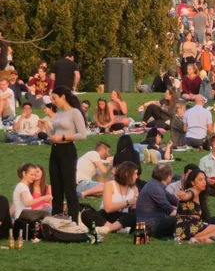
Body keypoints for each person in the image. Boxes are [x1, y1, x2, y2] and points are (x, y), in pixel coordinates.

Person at [48, 86, 87, 220]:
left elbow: (82, 135)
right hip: (55, 150)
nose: (54, 101)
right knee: (56, 187)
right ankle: (56, 218)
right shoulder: (58, 113)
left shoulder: (74, 112)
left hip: (67, 150)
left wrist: (63, 137)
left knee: (69, 188)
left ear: (63, 96)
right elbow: (55, 132)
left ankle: (73, 220)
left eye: (55, 98)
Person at [80, 161, 139, 235]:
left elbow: (134, 212)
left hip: (121, 218)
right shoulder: (110, 185)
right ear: (126, 174)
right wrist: (128, 202)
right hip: (106, 216)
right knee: (86, 213)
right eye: (134, 173)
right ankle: (116, 228)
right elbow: (108, 209)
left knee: (137, 214)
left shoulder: (134, 189)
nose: (136, 176)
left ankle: (108, 229)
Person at [174, 169, 215, 244]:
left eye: (204, 180)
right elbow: (188, 195)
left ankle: (198, 239)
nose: (204, 182)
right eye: (200, 180)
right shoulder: (193, 191)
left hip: (181, 230)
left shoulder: (197, 194)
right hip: (191, 227)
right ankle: (199, 239)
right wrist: (184, 196)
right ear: (192, 182)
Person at [136, 163, 179, 238]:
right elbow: (169, 210)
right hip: (150, 227)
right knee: (180, 218)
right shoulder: (155, 188)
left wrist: (186, 205)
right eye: (171, 174)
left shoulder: (155, 184)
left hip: (154, 224)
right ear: (167, 176)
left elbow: (172, 199)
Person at [12, 164, 52, 236]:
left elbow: (26, 207)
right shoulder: (22, 187)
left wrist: (41, 207)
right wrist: (43, 198)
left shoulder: (24, 186)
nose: (34, 177)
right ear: (24, 173)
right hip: (22, 218)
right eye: (31, 175)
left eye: (34, 175)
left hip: (26, 217)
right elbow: (27, 203)